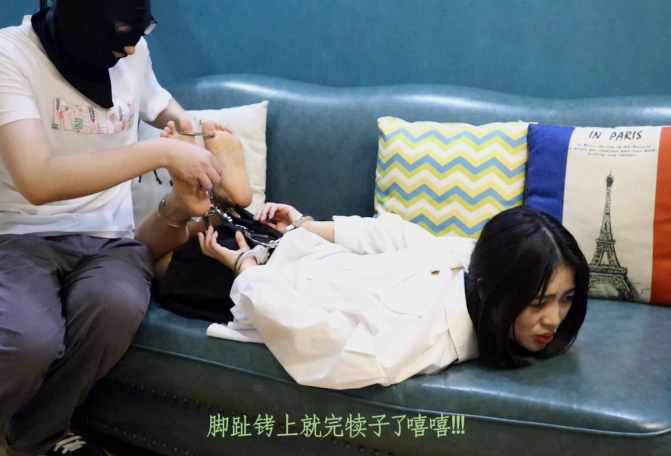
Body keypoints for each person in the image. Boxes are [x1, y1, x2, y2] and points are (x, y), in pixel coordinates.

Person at [0, 0, 253, 455]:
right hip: (19, 234)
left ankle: (40, 435)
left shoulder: (132, 52)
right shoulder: (10, 57)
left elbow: (164, 109)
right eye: (121, 35)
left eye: (140, 32)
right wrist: (161, 152)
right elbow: (37, 181)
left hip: (108, 241)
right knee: (28, 341)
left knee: (114, 307)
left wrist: (198, 136)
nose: (132, 48)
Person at [195, 199, 590, 390]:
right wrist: (308, 226)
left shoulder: (412, 341)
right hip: (296, 251)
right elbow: (396, 235)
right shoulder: (476, 262)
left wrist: (247, 270)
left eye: (566, 298)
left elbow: (304, 332)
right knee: (214, 212)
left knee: (182, 245)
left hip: (256, 284)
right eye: (539, 302)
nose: (554, 320)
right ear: (489, 288)